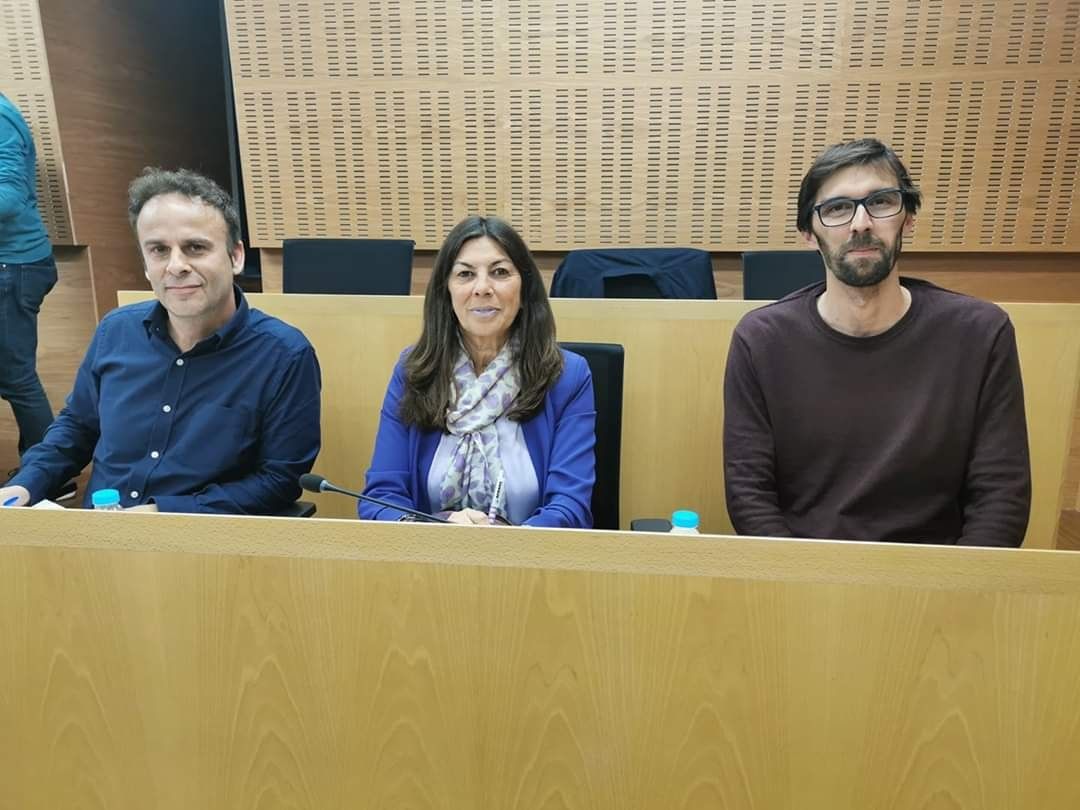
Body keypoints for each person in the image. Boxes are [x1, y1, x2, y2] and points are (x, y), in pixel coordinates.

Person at [723, 138, 1031, 546]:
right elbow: (750, 495)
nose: (861, 223)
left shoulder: (981, 333)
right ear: (809, 234)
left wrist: (952, 594)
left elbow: (1001, 494)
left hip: (937, 582)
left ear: (908, 218)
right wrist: (798, 586)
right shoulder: (761, 340)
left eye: (881, 202)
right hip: (803, 579)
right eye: (836, 208)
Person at [0, 168, 321, 513]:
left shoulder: (284, 355)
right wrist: (24, 484)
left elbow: (278, 481)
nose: (176, 266)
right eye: (158, 250)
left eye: (195, 248)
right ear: (145, 262)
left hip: (204, 548)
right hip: (99, 537)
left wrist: (162, 513)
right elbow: (76, 429)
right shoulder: (115, 331)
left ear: (236, 256)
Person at [361, 215, 596, 527]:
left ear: (524, 289)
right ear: (447, 291)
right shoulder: (413, 372)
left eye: (499, 272)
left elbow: (570, 507)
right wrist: (438, 530)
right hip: (427, 563)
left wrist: (500, 544)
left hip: (530, 566)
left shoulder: (567, 377)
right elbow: (381, 499)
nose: (482, 288)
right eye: (465, 274)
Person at [0, 92, 74, 498]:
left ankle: (49, 476)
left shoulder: (0, 116)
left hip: (14, 265)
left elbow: (8, 198)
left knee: (15, 377)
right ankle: (38, 467)